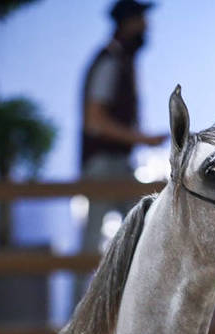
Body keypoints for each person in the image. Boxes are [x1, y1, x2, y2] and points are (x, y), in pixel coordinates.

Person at [78, 0, 166, 282]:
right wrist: (141, 138)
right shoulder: (110, 62)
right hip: (104, 164)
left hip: (118, 162)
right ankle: (80, 307)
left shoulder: (122, 62)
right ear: (127, 23)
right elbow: (94, 120)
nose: (146, 27)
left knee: (140, 231)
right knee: (92, 244)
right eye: (140, 20)